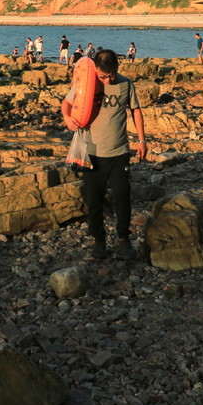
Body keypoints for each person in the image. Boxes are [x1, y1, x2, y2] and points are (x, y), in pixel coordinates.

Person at [61, 49, 147, 261]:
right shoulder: (88, 83)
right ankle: (99, 242)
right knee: (94, 201)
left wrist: (142, 140)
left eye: (111, 75)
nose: (108, 80)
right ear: (96, 70)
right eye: (103, 76)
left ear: (117, 68)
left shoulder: (126, 83)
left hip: (119, 152)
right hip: (92, 153)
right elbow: (67, 103)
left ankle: (124, 239)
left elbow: (136, 110)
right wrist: (67, 118)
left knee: (122, 197)